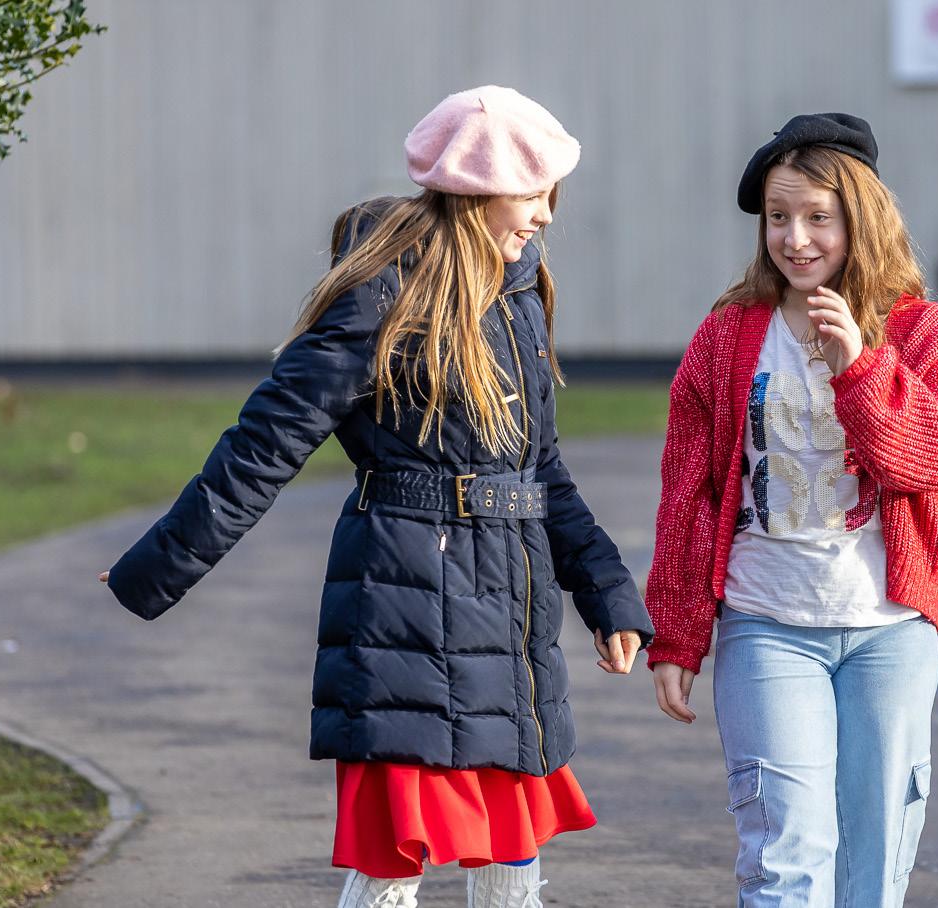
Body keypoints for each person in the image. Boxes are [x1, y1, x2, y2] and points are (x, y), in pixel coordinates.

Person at [100, 85, 652, 908]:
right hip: (404, 614)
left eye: (550, 196)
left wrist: (607, 595)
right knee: (396, 861)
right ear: (477, 191)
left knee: (510, 858)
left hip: (511, 624)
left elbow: (540, 470)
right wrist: (154, 568)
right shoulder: (382, 296)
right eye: (531, 195)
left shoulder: (520, 298)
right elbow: (262, 445)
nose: (544, 215)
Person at [644, 112, 938, 907]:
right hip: (766, 624)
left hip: (889, 632)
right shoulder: (726, 337)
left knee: (875, 865)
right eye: (777, 217)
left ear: (858, 220)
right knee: (785, 859)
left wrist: (860, 369)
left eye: (816, 218)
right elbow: (687, 493)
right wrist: (678, 632)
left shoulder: (919, 331)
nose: (794, 239)